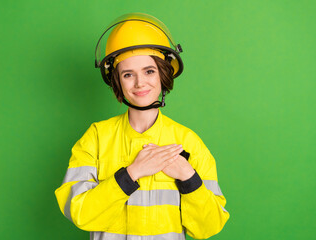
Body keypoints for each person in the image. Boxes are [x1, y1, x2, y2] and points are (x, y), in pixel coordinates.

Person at [55, 12, 230, 240]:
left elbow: (209, 226)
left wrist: (188, 176)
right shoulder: (96, 137)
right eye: (128, 74)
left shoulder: (188, 141)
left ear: (163, 74)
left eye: (149, 71)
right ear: (117, 80)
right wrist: (132, 173)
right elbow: (79, 212)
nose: (140, 83)